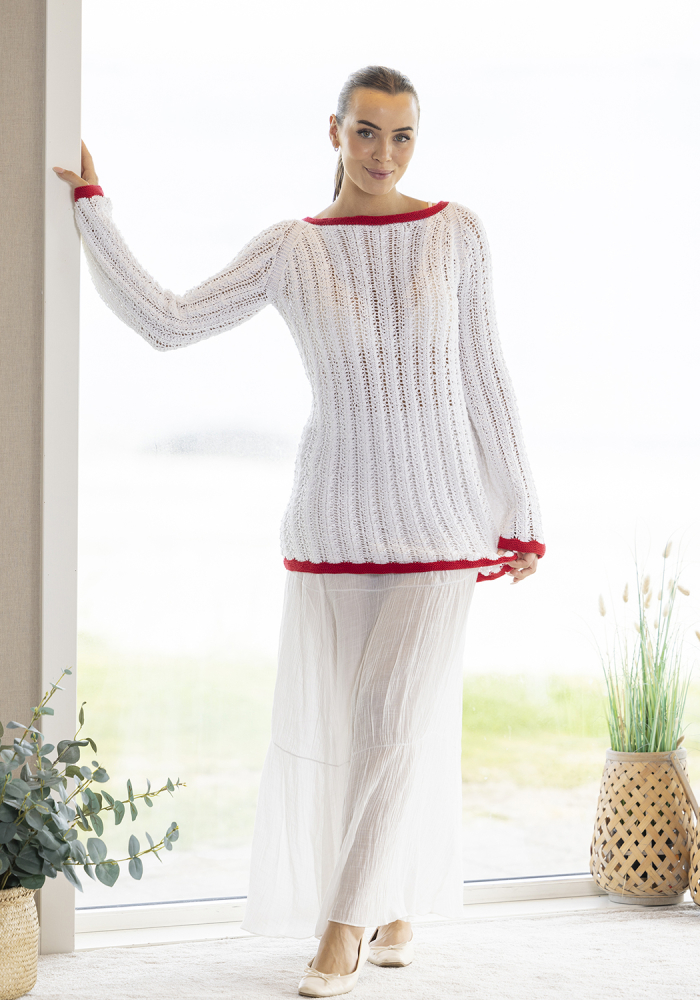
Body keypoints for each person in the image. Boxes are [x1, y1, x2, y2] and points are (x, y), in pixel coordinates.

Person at [55, 65, 544, 998]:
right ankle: (393, 904)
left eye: (402, 135)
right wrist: (94, 210)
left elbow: (485, 374)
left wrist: (520, 510)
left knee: (392, 721)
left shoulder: (458, 233)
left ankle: (341, 931)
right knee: (359, 731)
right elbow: (167, 323)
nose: (384, 153)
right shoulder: (291, 248)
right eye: (367, 131)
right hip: (335, 520)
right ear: (334, 131)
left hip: (442, 524)